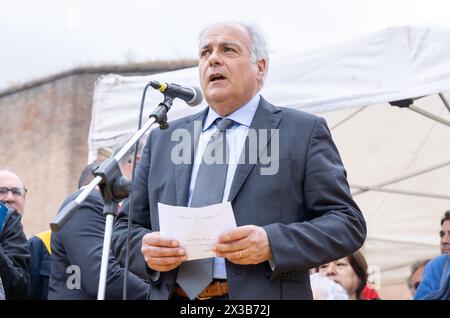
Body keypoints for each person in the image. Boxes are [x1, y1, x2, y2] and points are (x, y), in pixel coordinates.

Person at [112, 21, 366, 300]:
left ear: (260, 67)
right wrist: (144, 250)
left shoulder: (301, 132)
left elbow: (347, 222)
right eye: (205, 52)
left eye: (228, 50)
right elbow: (123, 230)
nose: (214, 59)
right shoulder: (164, 138)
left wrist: (272, 243)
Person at [48, 160, 150, 299]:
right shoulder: (87, 201)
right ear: (135, 161)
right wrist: (161, 294)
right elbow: (102, 276)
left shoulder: (107, 207)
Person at [0, 169, 31, 300]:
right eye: (2, 191)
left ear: (24, 199)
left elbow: (19, 288)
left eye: (17, 192)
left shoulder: (39, 242)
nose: (10, 198)